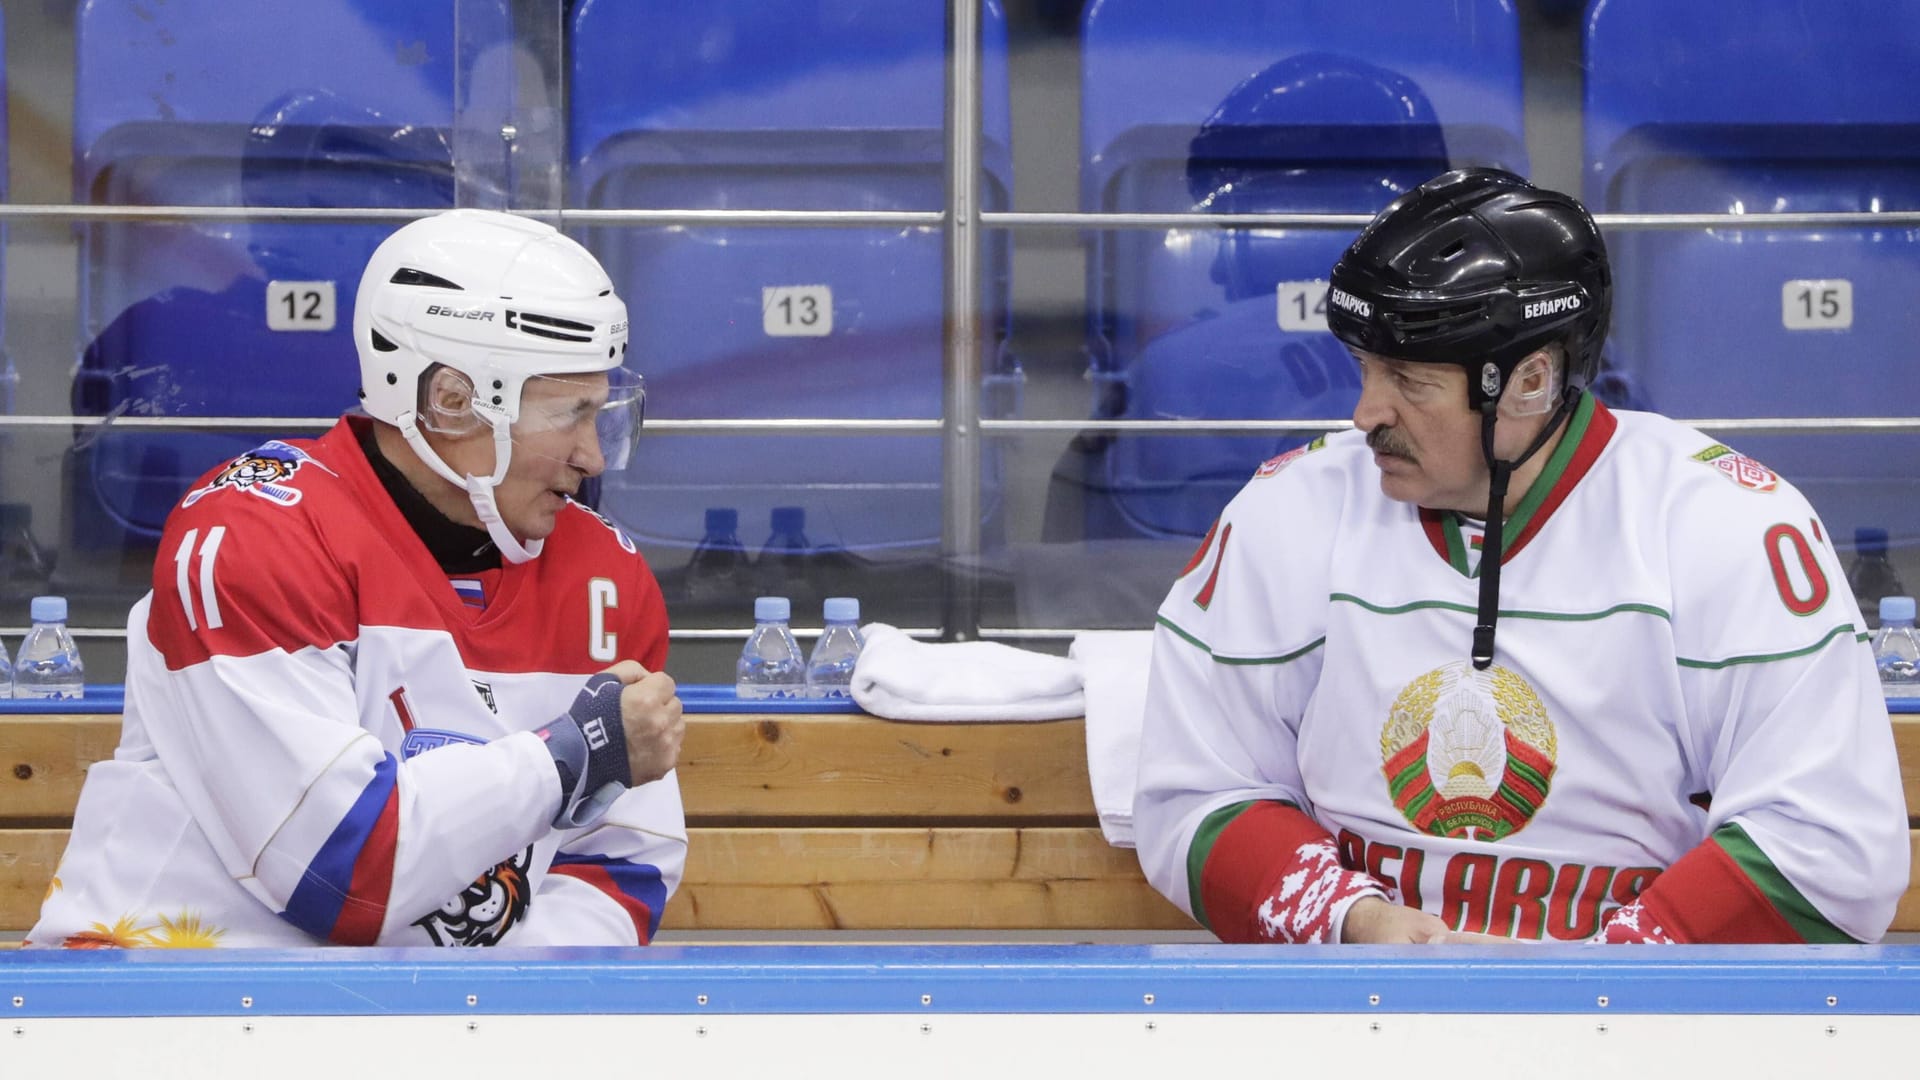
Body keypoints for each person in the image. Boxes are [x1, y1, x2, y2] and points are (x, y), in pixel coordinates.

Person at [1132, 168, 1909, 945]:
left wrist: (1599, 988)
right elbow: (1199, 790)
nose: (1366, 413)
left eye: (1409, 380)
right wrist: (1355, 923)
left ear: (1531, 381)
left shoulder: (1726, 528)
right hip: (1363, 1016)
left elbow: (1828, 847)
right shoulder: (1289, 512)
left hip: (1642, 1045)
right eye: (1364, 370)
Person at [29, 208, 686, 948]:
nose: (591, 456)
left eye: (601, 413)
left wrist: (503, 1008)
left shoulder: (605, 576)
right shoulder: (252, 536)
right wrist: (574, 754)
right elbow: (338, 875)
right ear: (451, 399)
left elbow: (622, 865)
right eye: (568, 414)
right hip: (169, 1019)